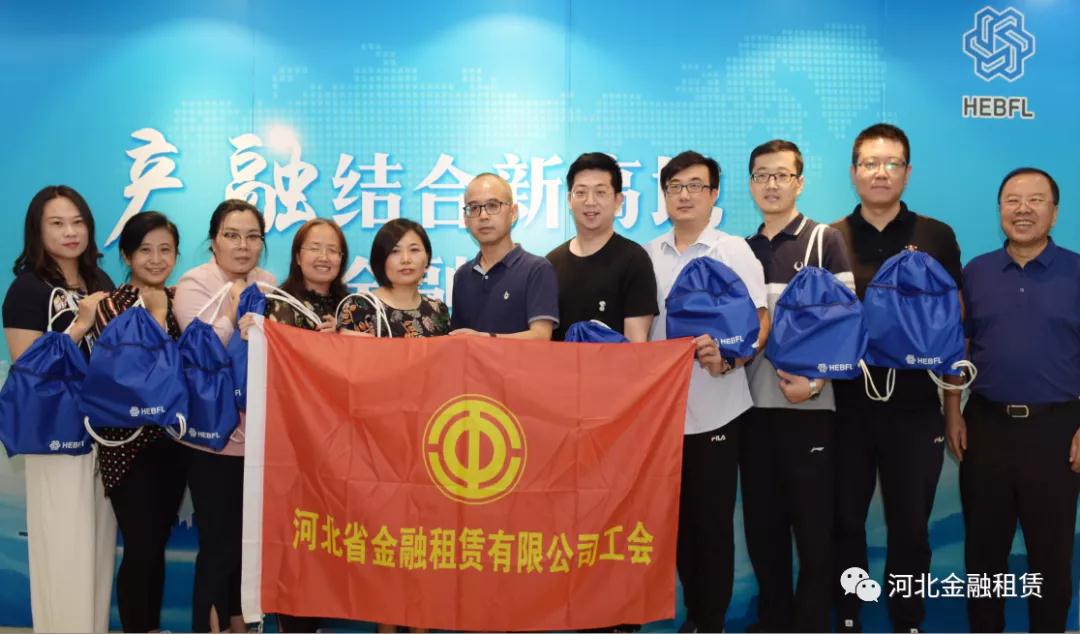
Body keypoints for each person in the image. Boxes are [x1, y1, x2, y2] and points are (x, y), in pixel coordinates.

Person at [830, 123, 963, 633]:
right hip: (845, 408)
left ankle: (908, 620)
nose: (880, 173)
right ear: (853, 172)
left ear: (907, 172)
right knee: (845, 522)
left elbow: (953, 327)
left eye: (891, 163)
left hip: (915, 409)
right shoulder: (832, 238)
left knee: (911, 527)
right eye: (869, 163)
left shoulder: (935, 236)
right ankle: (848, 615)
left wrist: (952, 409)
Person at [949, 168, 1080, 633]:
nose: (1023, 209)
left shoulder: (1077, 271)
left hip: (1057, 430)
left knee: (1051, 555)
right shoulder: (976, 272)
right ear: (1000, 209)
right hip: (986, 426)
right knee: (984, 555)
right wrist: (952, 411)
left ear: (1055, 212)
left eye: (1036, 200)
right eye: (1012, 200)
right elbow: (958, 348)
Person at [644, 151, 768, 633]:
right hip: (663, 415)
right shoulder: (648, 255)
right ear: (664, 194)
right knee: (676, 524)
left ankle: (710, 621)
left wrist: (732, 359)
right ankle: (694, 614)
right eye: (675, 186)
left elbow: (759, 320)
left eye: (696, 186)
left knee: (712, 524)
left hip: (718, 408)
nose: (685, 195)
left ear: (714, 194)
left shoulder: (732, 250)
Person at [742, 140, 854, 632]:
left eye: (782, 175)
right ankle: (774, 620)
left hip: (809, 410)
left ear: (799, 183)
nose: (772, 184)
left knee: (813, 533)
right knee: (763, 531)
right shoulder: (740, 251)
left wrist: (813, 386)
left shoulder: (823, 240)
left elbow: (846, 326)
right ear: (750, 184)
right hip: (751, 411)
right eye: (762, 175)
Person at [2, 185, 116, 633]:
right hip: (56, 435)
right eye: (57, 223)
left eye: (78, 222)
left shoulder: (100, 281)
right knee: (64, 545)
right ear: (37, 230)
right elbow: (27, 370)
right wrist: (80, 325)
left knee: (97, 548)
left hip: (104, 432)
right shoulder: (27, 289)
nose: (70, 232)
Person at [174, 199, 276, 632]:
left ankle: (240, 625)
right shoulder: (195, 283)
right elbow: (205, 350)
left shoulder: (268, 284)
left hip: (258, 442)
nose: (242, 246)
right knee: (218, 546)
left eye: (252, 237)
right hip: (211, 441)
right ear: (213, 241)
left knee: (246, 547)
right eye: (232, 235)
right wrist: (236, 314)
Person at [88, 211, 187, 632]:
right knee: (141, 543)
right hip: (125, 445)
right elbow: (133, 374)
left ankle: (149, 626)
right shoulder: (110, 305)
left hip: (173, 443)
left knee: (156, 541)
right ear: (127, 256)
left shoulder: (182, 299)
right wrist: (160, 319)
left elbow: (192, 368)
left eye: (166, 249)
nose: (156, 259)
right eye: (145, 250)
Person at [545, 152, 657, 342]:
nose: (590, 201)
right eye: (581, 192)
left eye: (600, 192)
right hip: (560, 362)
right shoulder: (550, 263)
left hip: (616, 363)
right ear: (569, 199)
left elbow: (636, 344)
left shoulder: (634, 260)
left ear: (618, 200)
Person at [448, 173, 558, 340]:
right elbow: (458, 339)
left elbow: (541, 336)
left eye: (493, 206)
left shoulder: (537, 269)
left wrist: (485, 339)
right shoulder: (462, 276)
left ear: (513, 213)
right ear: (465, 219)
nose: (483, 216)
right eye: (474, 208)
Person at [339, 218, 449, 338]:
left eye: (414, 250)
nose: (406, 259)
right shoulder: (360, 307)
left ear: (427, 257)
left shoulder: (438, 310)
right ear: (380, 259)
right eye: (395, 251)